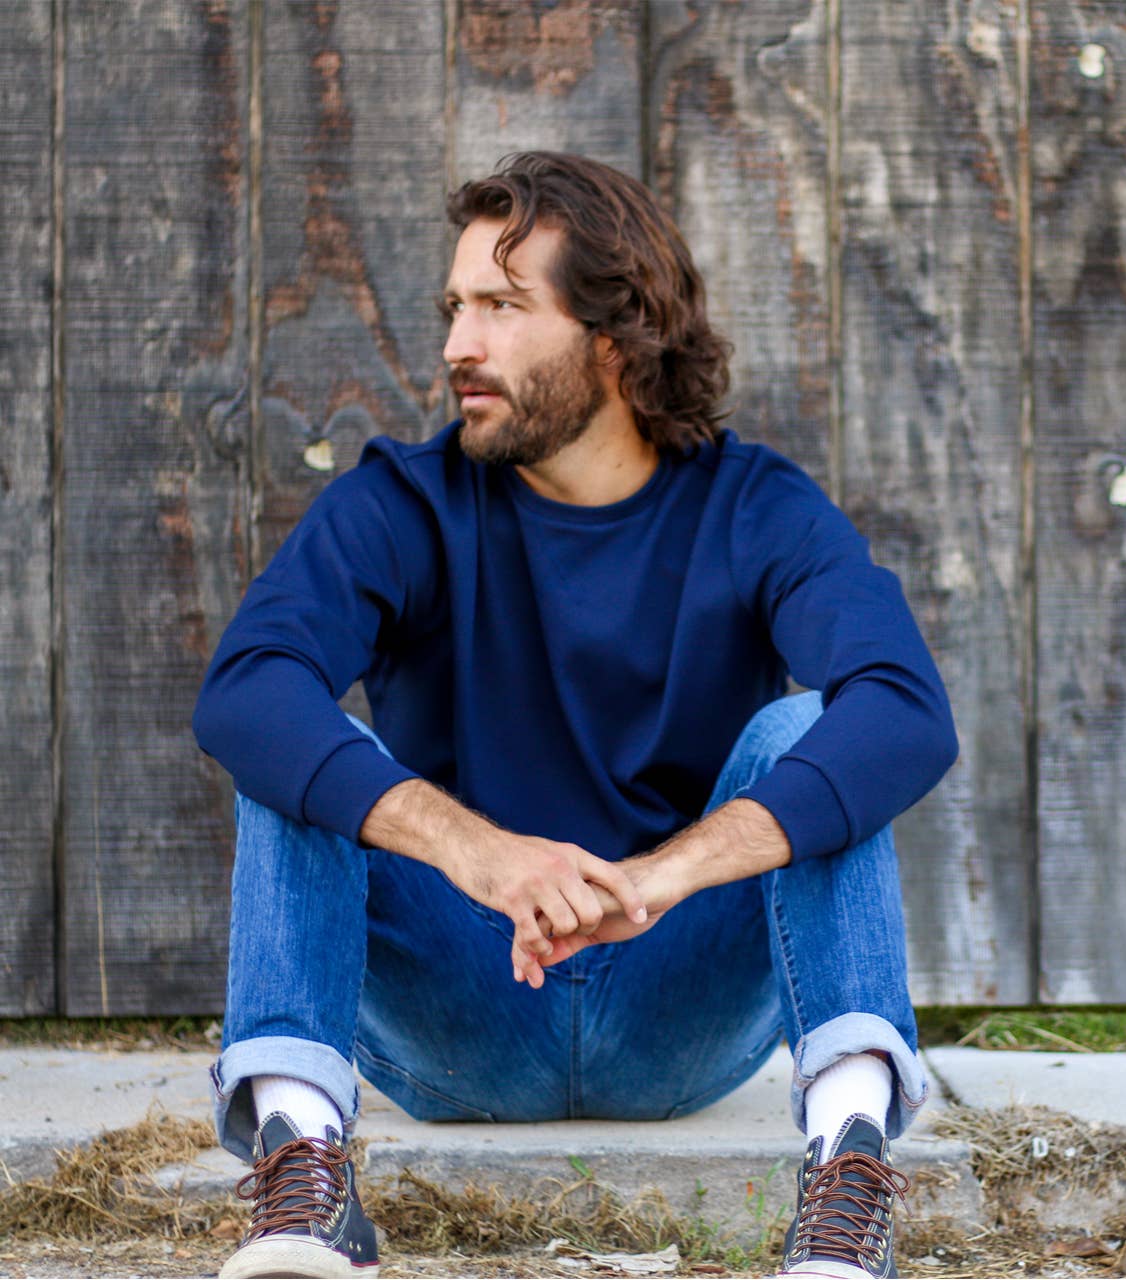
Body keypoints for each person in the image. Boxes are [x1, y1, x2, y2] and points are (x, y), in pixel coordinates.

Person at [193, 150, 958, 1280]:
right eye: (456, 307)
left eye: (503, 307)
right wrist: (480, 853)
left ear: (615, 337)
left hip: (677, 1005)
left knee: (809, 736)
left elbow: (906, 709)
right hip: (459, 1011)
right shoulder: (403, 504)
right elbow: (244, 689)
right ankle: (303, 1180)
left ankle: (847, 1177)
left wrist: (664, 874)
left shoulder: (754, 508)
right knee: (302, 735)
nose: (458, 345)